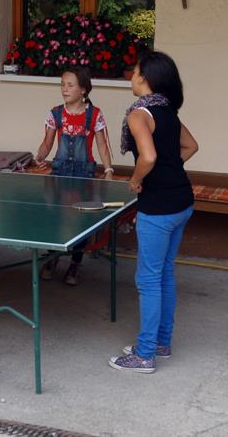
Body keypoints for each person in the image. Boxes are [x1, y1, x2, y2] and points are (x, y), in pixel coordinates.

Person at [109, 51, 198, 373]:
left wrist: (136, 181)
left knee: (148, 279)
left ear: (144, 77)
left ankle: (145, 354)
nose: (131, 77)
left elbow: (147, 157)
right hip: (182, 201)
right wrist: (168, 170)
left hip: (158, 208)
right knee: (164, 273)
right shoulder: (167, 110)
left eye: (134, 71)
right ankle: (161, 342)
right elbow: (191, 146)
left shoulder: (139, 114)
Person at [34, 67, 114, 285]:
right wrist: (39, 155)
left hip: (84, 176)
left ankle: (75, 264)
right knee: (55, 218)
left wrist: (108, 170)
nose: (64, 89)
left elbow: (102, 146)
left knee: (81, 222)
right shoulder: (55, 113)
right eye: (62, 84)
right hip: (59, 175)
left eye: (70, 85)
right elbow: (47, 143)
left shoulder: (95, 114)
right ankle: (52, 258)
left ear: (83, 90)